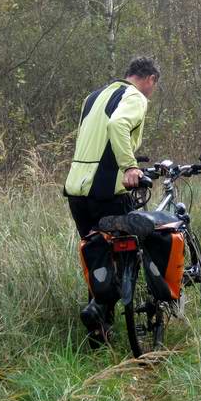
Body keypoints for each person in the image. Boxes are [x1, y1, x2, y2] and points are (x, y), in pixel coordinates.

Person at [64, 56, 160, 345]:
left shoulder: (93, 97)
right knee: (128, 252)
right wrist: (130, 166)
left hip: (77, 192)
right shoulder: (135, 97)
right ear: (150, 79)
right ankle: (114, 311)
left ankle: (99, 331)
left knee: (97, 256)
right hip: (107, 190)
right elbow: (118, 125)